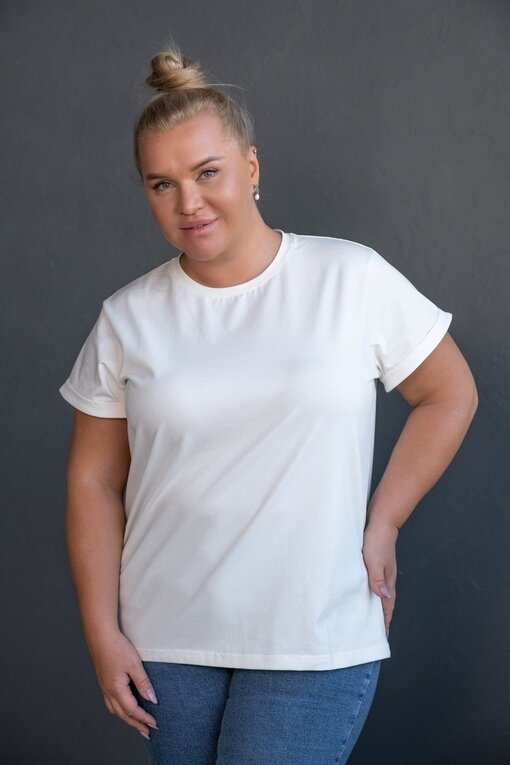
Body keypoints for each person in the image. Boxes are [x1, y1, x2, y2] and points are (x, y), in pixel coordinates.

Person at [58, 45, 478, 765]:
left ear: (251, 167)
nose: (188, 203)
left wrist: (384, 521)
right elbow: (92, 480)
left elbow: (449, 393)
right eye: (162, 184)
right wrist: (103, 632)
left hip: (313, 632)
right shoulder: (128, 317)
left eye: (207, 172)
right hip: (168, 642)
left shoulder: (348, 277)